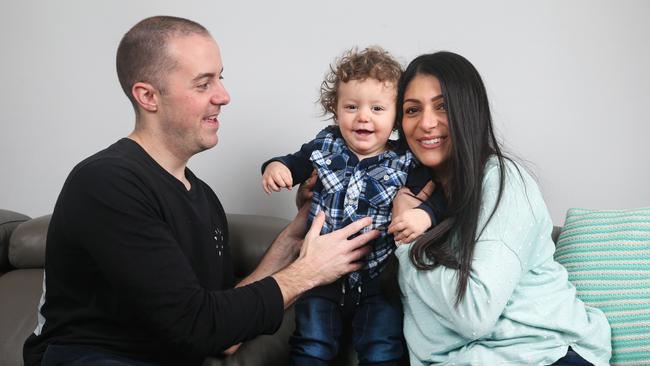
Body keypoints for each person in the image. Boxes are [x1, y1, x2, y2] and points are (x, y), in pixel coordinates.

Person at [22, 16, 380, 366]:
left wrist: (294, 237)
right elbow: (197, 327)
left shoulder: (203, 197)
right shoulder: (107, 182)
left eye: (220, 79)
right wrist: (311, 271)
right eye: (203, 83)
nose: (223, 96)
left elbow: (221, 327)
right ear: (148, 96)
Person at [387, 51, 612, 365]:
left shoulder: (503, 183)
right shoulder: (403, 194)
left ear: (469, 112)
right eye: (412, 110)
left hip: (543, 355)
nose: (426, 123)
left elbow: (473, 314)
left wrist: (406, 236)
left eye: (443, 106)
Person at [261, 47, 437, 365]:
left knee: (382, 347)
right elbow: (295, 162)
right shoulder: (326, 144)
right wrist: (277, 168)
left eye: (377, 108)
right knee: (311, 344)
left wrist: (424, 215)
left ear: (396, 115)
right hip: (320, 274)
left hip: (378, 278)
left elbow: (436, 197)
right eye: (352, 106)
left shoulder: (405, 159)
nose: (363, 117)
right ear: (336, 109)